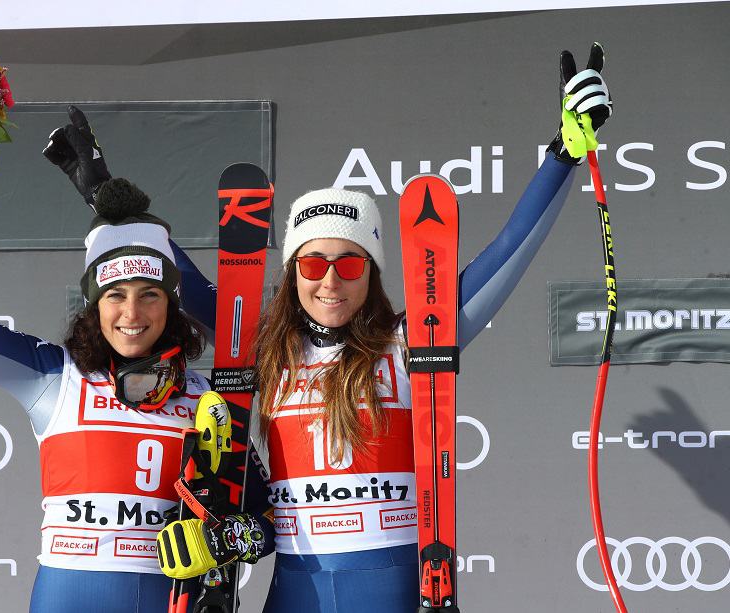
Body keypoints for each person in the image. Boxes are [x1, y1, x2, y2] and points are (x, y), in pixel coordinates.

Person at [125, 44, 614, 612]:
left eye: (349, 264)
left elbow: (506, 255)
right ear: (292, 275)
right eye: (312, 264)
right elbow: (171, 272)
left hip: (392, 585)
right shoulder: (266, 353)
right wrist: (110, 201)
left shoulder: (413, 344)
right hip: (295, 590)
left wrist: (564, 153)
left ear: (372, 274)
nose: (330, 281)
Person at [0, 113, 231, 612]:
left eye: (150, 296)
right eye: (115, 295)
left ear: (173, 305)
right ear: (93, 307)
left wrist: (236, 536)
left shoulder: (208, 398)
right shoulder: (54, 378)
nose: (132, 314)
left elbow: (238, 322)